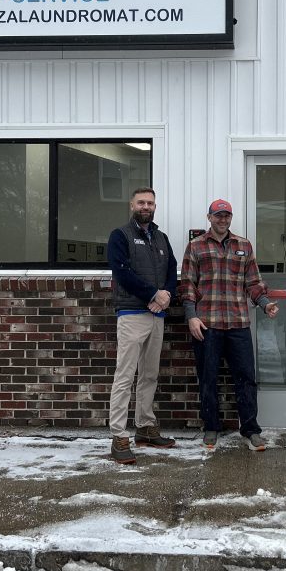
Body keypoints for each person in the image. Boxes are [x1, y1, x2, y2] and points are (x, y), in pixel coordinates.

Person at [179, 199, 279, 452]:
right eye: (218, 215)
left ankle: (251, 430)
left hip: (238, 323)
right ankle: (211, 427)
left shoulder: (243, 245)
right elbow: (188, 285)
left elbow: (253, 283)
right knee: (208, 378)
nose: (222, 220)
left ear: (231, 218)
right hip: (206, 324)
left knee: (246, 378)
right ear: (209, 218)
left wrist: (265, 304)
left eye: (227, 216)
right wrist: (191, 316)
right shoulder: (196, 246)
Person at [106, 187, 178, 464]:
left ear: (155, 206)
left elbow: (171, 270)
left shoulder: (161, 238)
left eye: (150, 203)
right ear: (132, 205)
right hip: (132, 314)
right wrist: (152, 294)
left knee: (149, 375)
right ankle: (119, 436)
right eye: (141, 202)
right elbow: (122, 272)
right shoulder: (120, 235)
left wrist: (166, 296)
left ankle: (145, 427)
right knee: (125, 376)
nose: (146, 206)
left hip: (157, 314)